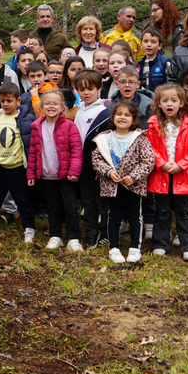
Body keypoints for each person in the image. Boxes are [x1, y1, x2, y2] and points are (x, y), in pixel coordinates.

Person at [91, 100, 154, 264]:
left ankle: (135, 248)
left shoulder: (140, 138)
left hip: (134, 185)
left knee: (135, 216)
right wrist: (108, 171)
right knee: (113, 216)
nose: (122, 117)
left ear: (134, 119)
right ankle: (114, 248)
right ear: (112, 117)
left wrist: (133, 176)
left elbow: (148, 161)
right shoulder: (104, 138)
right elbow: (96, 159)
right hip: (112, 185)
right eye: (119, 114)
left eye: (127, 115)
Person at [145, 83, 188, 262]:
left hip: (182, 174)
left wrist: (181, 165)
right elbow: (150, 147)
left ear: (181, 103)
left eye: (174, 100)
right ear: (159, 103)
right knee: (162, 211)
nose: (169, 104)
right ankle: (161, 244)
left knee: (183, 212)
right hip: (161, 174)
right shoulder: (153, 124)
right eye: (165, 100)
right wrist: (161, 164)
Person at [0, 83, 37, 243]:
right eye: (2, 101)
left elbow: (30, 143)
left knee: (23, 199)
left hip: (17, 167)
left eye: (9, 101)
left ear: (18, 100)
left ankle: (29, 227)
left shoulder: (26, 119)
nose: (5, 104)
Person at [27, 89, 83, 251]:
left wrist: (74, 171)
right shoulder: (37, 127)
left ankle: (73, 238)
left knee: (70, 207)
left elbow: (76, 150)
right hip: (46, 175)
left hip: (65, 175)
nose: (51, 106)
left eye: (55, 103)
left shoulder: (70, 126)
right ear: (41, 107)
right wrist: (31, 173)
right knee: (52, 207)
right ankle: (55, 235)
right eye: (47, 103)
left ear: (62, 107)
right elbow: (33, 152)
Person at [72, 70, 113, 248]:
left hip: (99, 166)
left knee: (103, 201)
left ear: (99, 88)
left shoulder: (104, 113)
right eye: (82, 89)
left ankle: (106, 232)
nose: (86, 93)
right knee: (88, 200)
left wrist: (101, 165)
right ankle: (91, 233)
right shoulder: (79, 111)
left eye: (90, 88)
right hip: (83, 164)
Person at [139, 27, 175, 92]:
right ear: (141, 44)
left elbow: (171, 84)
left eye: (153, 42)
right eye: (146, 41)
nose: (149, 45)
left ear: (160, 46)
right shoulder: (138, 65)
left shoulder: (165, 63)